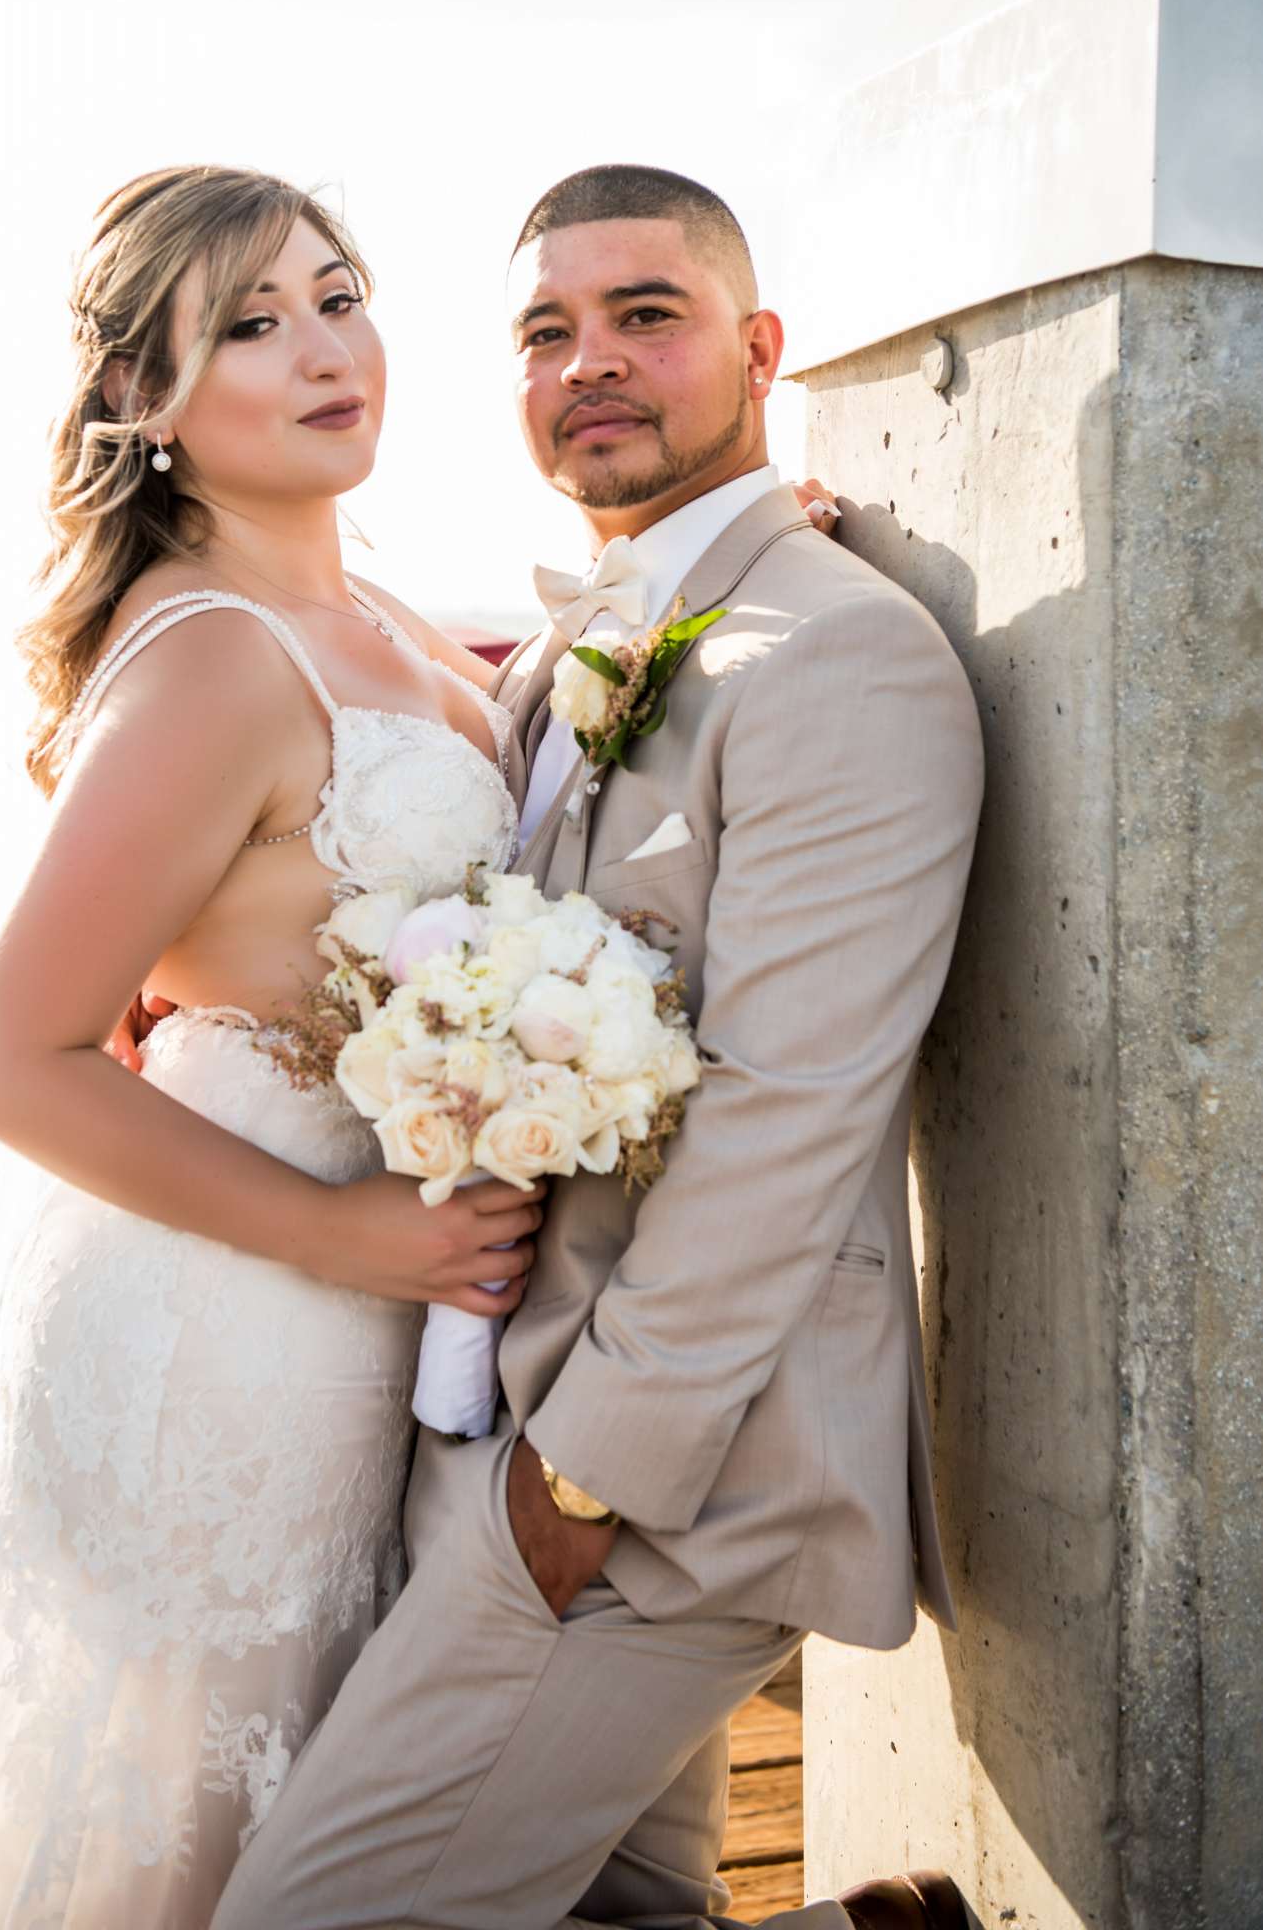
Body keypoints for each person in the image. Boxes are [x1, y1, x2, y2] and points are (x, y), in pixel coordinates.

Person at [0, 167, 543, 1928]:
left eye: (337, 291)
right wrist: (349, 1235)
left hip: (356, 1322)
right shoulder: (215, 660)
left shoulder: (373, 621)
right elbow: (9, 1059)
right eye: (249, 323)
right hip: (221, 1337)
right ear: (143, 403)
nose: (325, 346)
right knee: (169, 1847)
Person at [211, 166, 986, 1930]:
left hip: (658, 1483)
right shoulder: (572, 638)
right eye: (546, 333)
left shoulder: (841, 659)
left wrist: (581, 1485)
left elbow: (792, 1113)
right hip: (489, 1424)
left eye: (647, 315)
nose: (591, 365)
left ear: (757, 345)